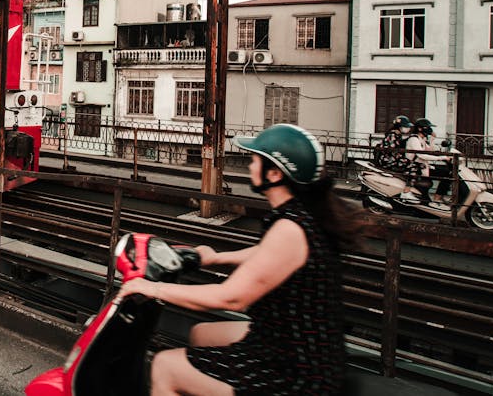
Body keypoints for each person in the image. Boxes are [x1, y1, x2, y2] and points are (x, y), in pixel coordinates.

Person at [117, 124, 360, 395]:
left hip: (296, 371)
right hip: (296, 342)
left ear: (275, 173)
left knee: (164, 366)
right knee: (201, 335)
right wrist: (215, 258)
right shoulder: (302, 216)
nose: (249, 166)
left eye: (255, 160)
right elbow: (265, 255)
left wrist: (152, 288)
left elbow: (231, 298)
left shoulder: (290, 229)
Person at [406, 118, 450, 203]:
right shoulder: (414, 139)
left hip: (423, 166)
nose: (430, 130)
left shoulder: (421, 139)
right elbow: (422, 155)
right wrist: (442, 158)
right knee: (445, 174)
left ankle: (438, 197)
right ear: (420, 128)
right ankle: (437, 198)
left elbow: (430, 150)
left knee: (447, 173)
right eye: (427, 127)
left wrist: (432, 139)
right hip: (417, 168)